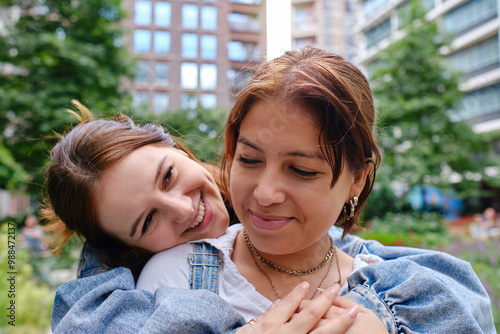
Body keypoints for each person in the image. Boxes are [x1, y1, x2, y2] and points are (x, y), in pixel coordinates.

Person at [137, 46, 495, 333]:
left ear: (357, 178)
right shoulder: (176, 277)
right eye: (248, 159)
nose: (265, 193)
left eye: (301, 170)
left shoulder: (413, 293)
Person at [44, 101, 361, 333]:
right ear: (131, 248)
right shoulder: (159, 285)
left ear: (179, 148)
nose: (183, 209)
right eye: (148, 221)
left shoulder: (357, 257)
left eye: (168, 175)